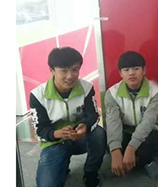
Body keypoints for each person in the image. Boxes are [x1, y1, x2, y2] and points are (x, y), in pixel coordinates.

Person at [30, 47, 105, 187]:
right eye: (64, 71)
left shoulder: (86, 88)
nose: (70, 76)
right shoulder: (38, 95)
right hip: (55, 143)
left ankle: (91, 173)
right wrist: (56, 134)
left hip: (80, 137)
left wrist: (85, 126)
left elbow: (93, 115)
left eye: (75, 69)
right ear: (52, 70)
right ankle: (62, 166)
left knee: (99, 134)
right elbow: (40, 129)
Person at [105, 51, 158, 179]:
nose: (131, 73)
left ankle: (148, 162)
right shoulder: (111, 93)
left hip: (150, 130)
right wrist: (115, 151)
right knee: (108, 139)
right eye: (126, 70)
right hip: (125, 129)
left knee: (151, 142)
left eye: (136, 69)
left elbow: (148, 122)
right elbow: (113, 122)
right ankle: (121, 163)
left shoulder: (156, 91)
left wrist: (131, 148)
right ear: (120, 73)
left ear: (144, 70)